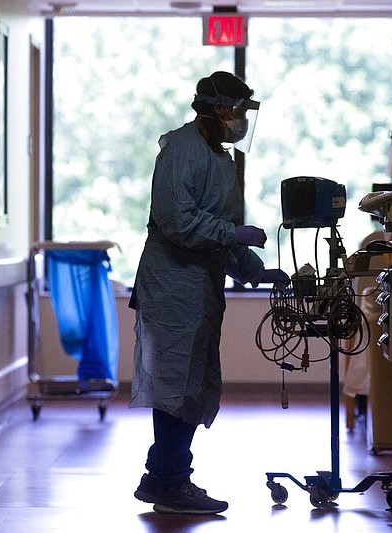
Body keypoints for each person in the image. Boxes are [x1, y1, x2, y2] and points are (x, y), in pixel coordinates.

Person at [128, 71, 289, 515]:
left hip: (198, 289)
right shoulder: (182, 150)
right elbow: (177, 222)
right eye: (238, 112)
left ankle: (165, 478)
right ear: (220, 110)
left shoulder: (221, 159)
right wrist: (231, 232)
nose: (241, 122)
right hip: (172, 289)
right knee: (177, 389)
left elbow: (224, 236)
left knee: (191, 387)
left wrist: (256, 271)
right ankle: (168, 482)